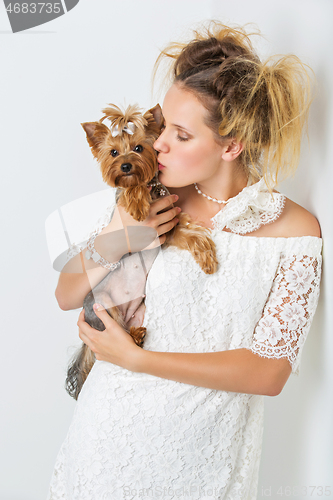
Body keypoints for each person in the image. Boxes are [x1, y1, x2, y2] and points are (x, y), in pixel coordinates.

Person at [48, 22, 322, 500]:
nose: (157, 146)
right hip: (107, 446)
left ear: (231, 144)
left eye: (179, 134)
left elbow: (270, 373)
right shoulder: (150, 197)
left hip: (209, 463)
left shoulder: (296, 232)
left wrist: (138, 359)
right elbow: (66, 293)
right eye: (161, 129)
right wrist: (121, 234)